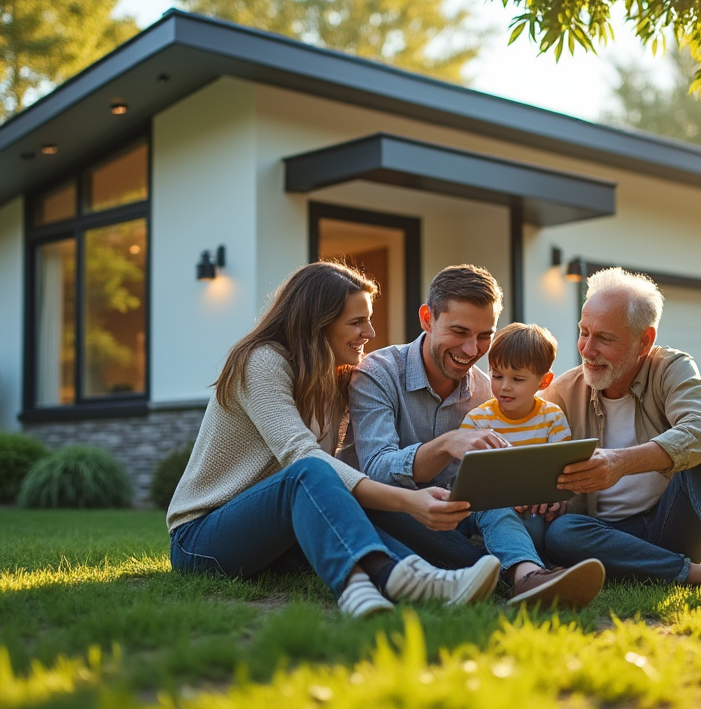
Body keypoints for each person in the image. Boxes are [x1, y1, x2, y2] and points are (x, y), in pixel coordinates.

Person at [167, 261, 501, 618]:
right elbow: (300, 456)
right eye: (357, 322)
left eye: (368, 320)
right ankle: (396, 576)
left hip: (283, 531)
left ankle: (471, 573)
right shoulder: (261, 362)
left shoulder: (338, 378)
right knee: (312, 472)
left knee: (358, 498)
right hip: (203, 537)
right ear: (317, 323)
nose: (370, 332)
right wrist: (409, 500)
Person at [342, 265, 604, 608]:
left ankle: (528, 577)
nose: (471, 349)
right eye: (459, 331)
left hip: (457, 519)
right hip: (392, 515)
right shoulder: (378, 373)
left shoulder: (487, 390)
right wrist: (446, 444)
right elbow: (375, 471)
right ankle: (491, 567)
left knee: (492, 506)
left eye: (484, 336)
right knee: (470, 550)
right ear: (427, 319)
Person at [541, 267, 701, 613]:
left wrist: (620, 463)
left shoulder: (670, 368)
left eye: (604, 338)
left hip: (671, 526)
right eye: (583, 332)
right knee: (561, 533)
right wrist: (549, 498)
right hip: (605, 537)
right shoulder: (561, 393)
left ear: (644, 341)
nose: (587, 349)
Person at [458, 322, 572, 544]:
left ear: (544, 381)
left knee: (543, 527)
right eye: (497, 376)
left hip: (534, 512)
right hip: (490, 508)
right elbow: (467, 479)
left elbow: (561, 475)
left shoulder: (553, 418)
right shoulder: (478, 420)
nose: (505, 387)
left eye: (517, 379)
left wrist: (555, 500)